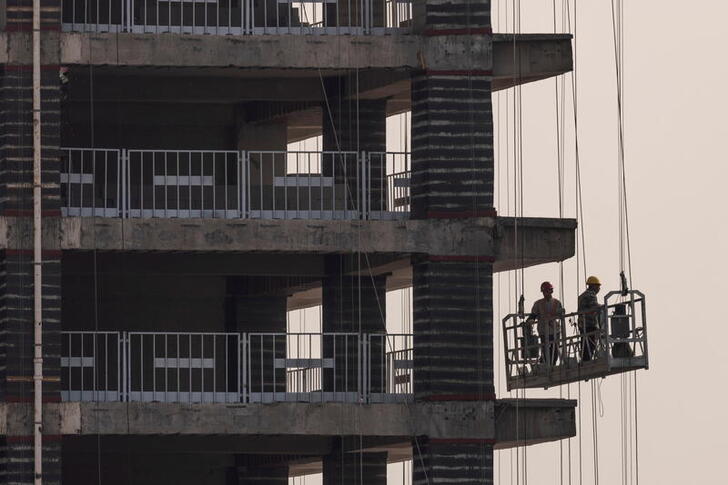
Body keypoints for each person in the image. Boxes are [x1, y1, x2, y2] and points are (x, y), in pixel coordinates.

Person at [526, 281, 564, 366]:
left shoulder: (557, 303)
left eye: (547, 291)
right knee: (545, 350)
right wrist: (530, 320)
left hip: (555, 330)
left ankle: (552, 365)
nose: (545, 293)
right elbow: (533, 315)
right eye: (544, 291)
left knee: (555, 350)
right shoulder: (538, 304)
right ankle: (544, 364)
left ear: (551, 291)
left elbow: (561, 314)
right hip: (543, 331)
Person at [578, 276, 603, 361]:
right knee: (590, 343)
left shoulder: (582, 295)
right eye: (598, 286)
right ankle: (587, 359)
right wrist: (603, 307)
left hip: (582, 323)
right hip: (589, 323)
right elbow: (594, 306)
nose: (599, 288)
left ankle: (585, 358)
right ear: (593, 286)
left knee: (584, 342)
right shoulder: (591, 295)